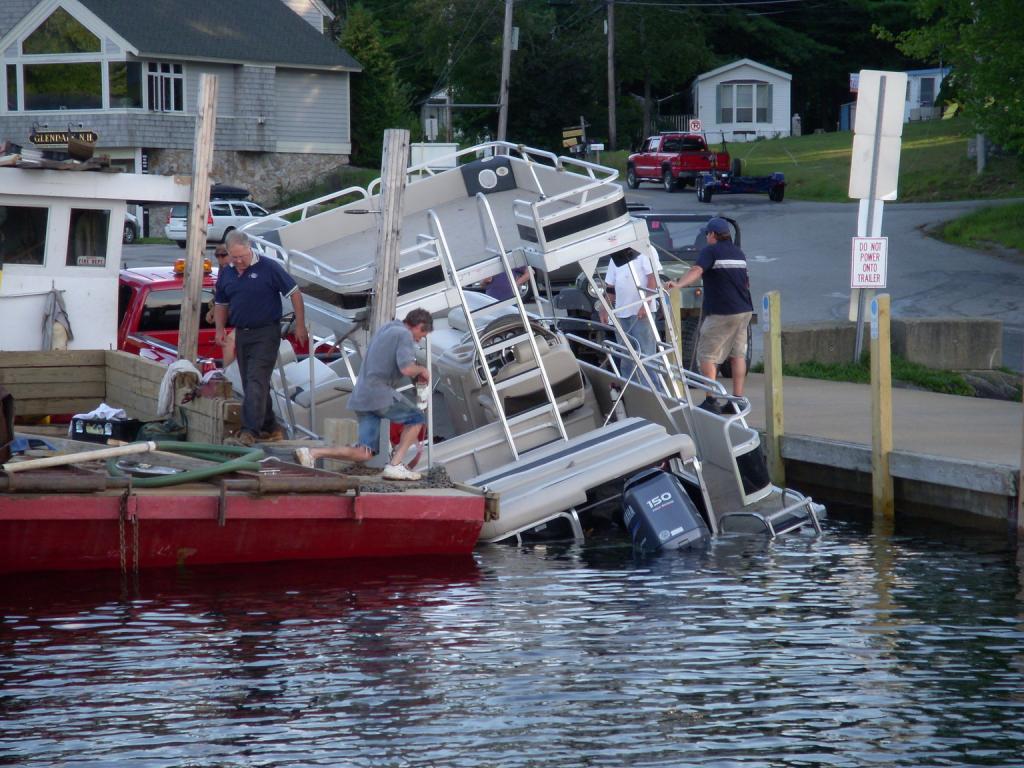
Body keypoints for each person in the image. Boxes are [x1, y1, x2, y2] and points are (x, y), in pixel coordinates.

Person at [294, 309, 432, 481]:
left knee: (364, 453)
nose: (419, 339)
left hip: (362, 396)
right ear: (418, 326)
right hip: (379, 395)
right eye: (421, 334)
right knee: (417, 418)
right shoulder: (404, 335)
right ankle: (395, 466)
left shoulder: (387, 328)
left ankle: (312, 453)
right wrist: (423, 370)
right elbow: (406, 368)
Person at [214, 230, 307, 446]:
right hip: (241, 332)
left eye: (242, 256)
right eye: (234, 257)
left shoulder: (268, 267)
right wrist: (220, 329)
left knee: (256, 379)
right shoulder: (226, 273)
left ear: (249, 249)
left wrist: (299, 325)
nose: (238, 261)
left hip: (266, 332)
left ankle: (250, 431)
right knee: (252, 383)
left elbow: (294, 292)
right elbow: (221, 303)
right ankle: (271, 427)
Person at [666, 217, 753, 413]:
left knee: (707, 354)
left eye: (707, 233)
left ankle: (711, 399)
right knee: (738, 354)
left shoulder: (710, 251)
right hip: (744, 309)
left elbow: (697, 270)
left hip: (722, 311)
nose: (706, 237)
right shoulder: (739, 253)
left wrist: (678, 284)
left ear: (713, 234)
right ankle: (737, 400)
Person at [598, 246, 660, 385]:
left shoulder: (646, 249)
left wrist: (646, 303)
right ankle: (631, 391)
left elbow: (653, 278)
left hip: (641, 313)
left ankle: (653, 393)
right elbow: (610, 287)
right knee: (625, 357)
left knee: (646, 355)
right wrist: (604, 307)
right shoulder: (616, 255)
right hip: (621, 313)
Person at [207, 246, 236, 367]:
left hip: (249, 317)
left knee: (229, 341)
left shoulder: (237, 270)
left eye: (223, 255)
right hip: (234, 316)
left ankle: (228, 374)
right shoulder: (223, 271)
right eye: (217, 256)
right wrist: (212, 310)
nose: (220, 259)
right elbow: (221, 298)